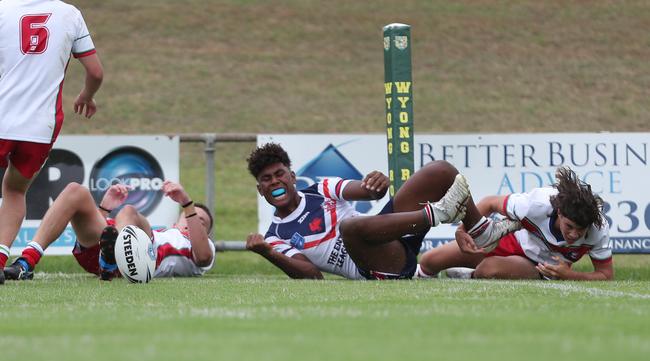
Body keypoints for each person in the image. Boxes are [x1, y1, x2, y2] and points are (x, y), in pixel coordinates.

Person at [245, 143, 519, 280]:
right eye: (267, 179)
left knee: (440, 171)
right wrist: (268, 254)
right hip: (378, 266)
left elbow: (367, 191)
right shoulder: (275, 236)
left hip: (392, 233)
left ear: (292, 176)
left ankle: (480, 230)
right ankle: (438, 214)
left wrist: (376, 184)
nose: (275, 182)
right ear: (261, 190)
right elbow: (312, 276)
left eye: (279, 174)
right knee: (350, 228)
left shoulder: (321, 188)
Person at [0, 0, 104, 284]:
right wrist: (86, 95)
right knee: (14, 191)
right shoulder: (69, 14)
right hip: (40, 125)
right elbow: (96, 72)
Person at [417, 167, 613, 281]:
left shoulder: (598, 228)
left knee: (488, 269)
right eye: (569, 226)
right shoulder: (536, 204)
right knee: (429, 260)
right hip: (510, 238)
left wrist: (569, 275)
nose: (574, 234)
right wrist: (463, 229)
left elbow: (605, 275)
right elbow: (490, 202)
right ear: (559, 212)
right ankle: (427, 276)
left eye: (581, 230)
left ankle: (471, 275)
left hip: (538, 265)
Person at [3, 181, 215, 281]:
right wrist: (104, 209)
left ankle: (114, 255)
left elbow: (203, 257)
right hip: (102, 257)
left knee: (130, 212)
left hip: (141, 260)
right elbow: (103, 235)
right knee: (75, 191)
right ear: (176, 222)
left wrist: (187, 204)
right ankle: (26, 262)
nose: (193, 220)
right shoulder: (165, 231)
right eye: (188, 216)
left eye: (202, 222)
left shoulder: (200, 248)